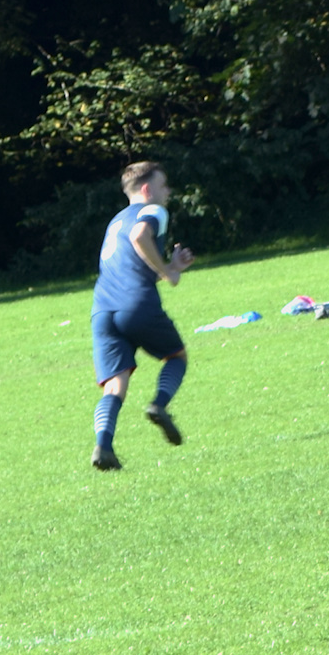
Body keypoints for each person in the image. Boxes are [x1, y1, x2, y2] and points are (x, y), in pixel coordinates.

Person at [88, 161, 195, 471]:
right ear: (147, 189)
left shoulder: (115, 221)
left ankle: (104, 447)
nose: (168, 191)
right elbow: (139, 237)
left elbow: (131, 265)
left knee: (115, 386)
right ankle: (159, 405)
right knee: (177, 357)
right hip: (137, 304)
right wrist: (168, 273)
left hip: (103, 310)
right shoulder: (154, 211)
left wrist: (172, 266)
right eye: (164, 185)